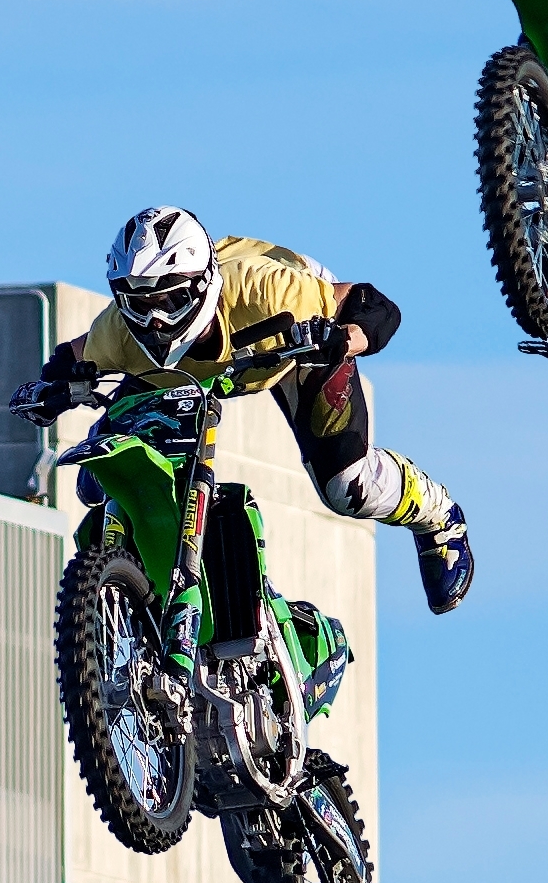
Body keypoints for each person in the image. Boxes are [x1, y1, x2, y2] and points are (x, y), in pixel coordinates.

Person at [25, 208, 475, 616]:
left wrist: (345, 337)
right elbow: (68, 359)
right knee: (96, 478)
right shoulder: (121, 331)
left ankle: (439, 516)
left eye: (169, 300)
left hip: (290, 341)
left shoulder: (267, 292)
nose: (156, 320)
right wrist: (50, 391)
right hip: (178, 375)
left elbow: (375, 305)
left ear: (201, 286)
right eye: (140, 303)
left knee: (347, 485)